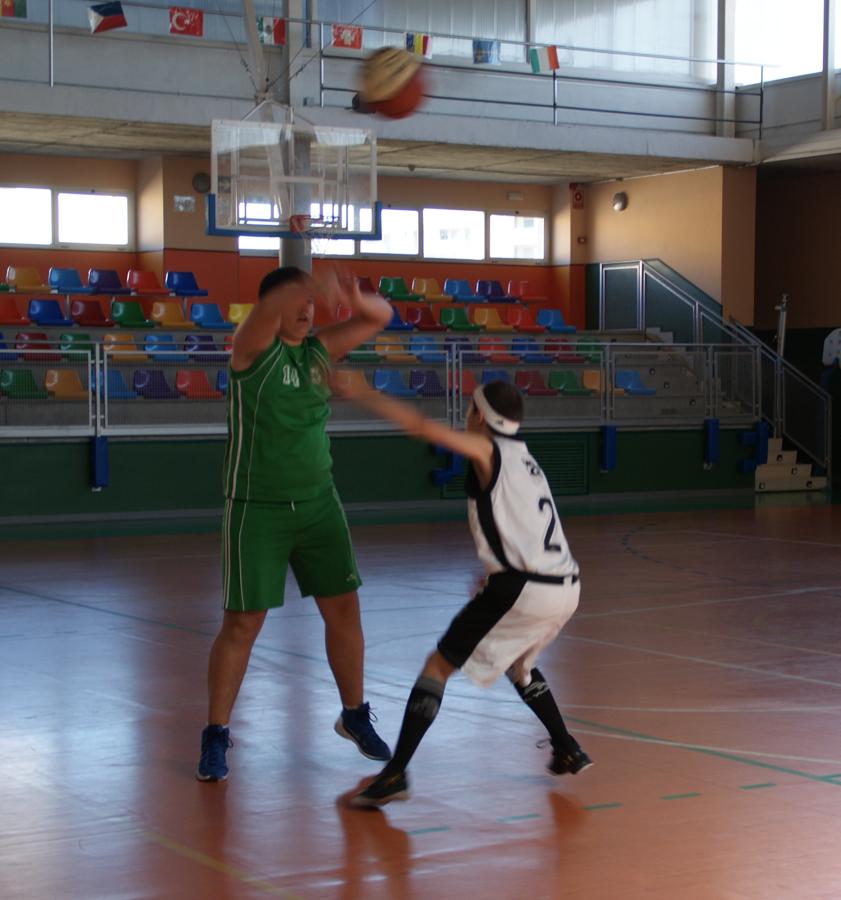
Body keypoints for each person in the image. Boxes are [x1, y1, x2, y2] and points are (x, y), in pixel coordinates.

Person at [334, 374, 592, 808]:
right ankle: (567, 748)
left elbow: (422, 428)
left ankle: (395, 773)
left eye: (470, 409)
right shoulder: (524, 456)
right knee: (519, 665)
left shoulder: (487, 448)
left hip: (525, 587)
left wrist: (363, 393)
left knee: (438, 665)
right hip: (565, 585)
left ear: (479, 415)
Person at [197, 266, 393, 782]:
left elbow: (381, 315)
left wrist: (348, 293)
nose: (309, 311)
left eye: (312, 305)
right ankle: (216, 734)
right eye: (298, 303)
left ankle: (353, 716)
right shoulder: (251, 350)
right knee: (243, 623)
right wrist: (307, 279)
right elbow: (268, 312)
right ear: (273, 306)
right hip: (255, 506)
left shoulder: (318, 353)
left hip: (318, 504)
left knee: (345, 611)